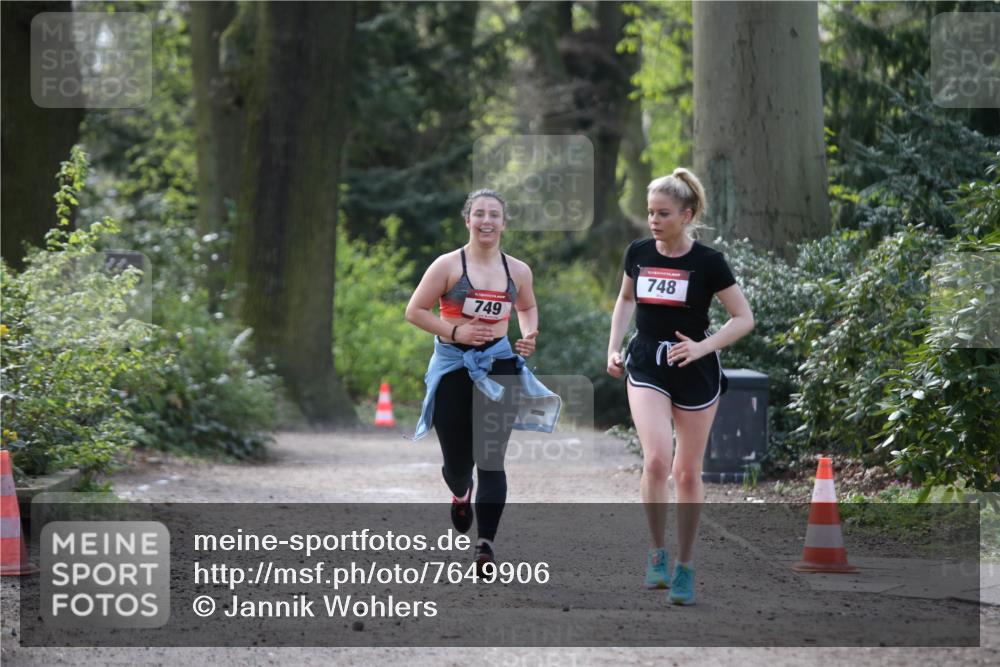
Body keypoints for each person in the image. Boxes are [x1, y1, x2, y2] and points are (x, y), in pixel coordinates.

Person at [606, 168, 754, 605]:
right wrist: (613, 348)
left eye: (663, 213)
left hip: (694, 367)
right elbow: (626, 299)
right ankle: (657, 555)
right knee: (656, 460)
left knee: (686, 473)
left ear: (686, 215)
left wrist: (703, 348)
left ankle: (686, 567)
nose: (653, 220)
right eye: (650, 212)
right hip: (648, 361)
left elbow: (743, 318)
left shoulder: (708, 262)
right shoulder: (637, 252)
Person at [406, 188, 560, 574]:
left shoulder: (518, 271)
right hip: (454, 368)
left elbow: (526, 306)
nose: (486, 220)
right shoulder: (447, 265)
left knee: (491, 460)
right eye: (479, 213)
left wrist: (530, 332)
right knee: (457, 463)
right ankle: (461, 493)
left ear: (504, 223)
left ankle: (485, 546)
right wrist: (456, 333)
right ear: (468, 220)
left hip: (499, 365)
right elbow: (415, 310)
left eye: (494, 214)